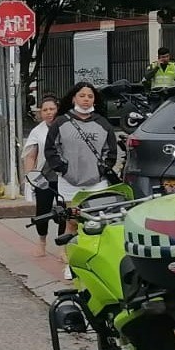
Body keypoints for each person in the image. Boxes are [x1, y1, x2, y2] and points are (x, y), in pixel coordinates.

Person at [44, 81, 121, 237]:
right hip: (69, 182)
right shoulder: (60, 122)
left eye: (90, 96)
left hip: (97, 182)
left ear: (95, 100)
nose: (86, 99)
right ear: (74, 99)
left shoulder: (102, 123)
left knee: (97, 220)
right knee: (71, 220)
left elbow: (111, 152)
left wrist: (101, 170)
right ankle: (67, 252)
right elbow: (51, 150)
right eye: (82, 95)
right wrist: (63, 170)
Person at [22, 95, 60, 245]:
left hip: (64, 177)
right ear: (40, 112)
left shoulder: (66, 126)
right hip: (44, 177)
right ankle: (42, 240)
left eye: (52, 109)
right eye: (45, 110)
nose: (49, 112)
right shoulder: (37, 131)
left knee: (64, 212)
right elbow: (30, 157)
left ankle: (62, 247)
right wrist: (30, 178)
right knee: (43, 211)